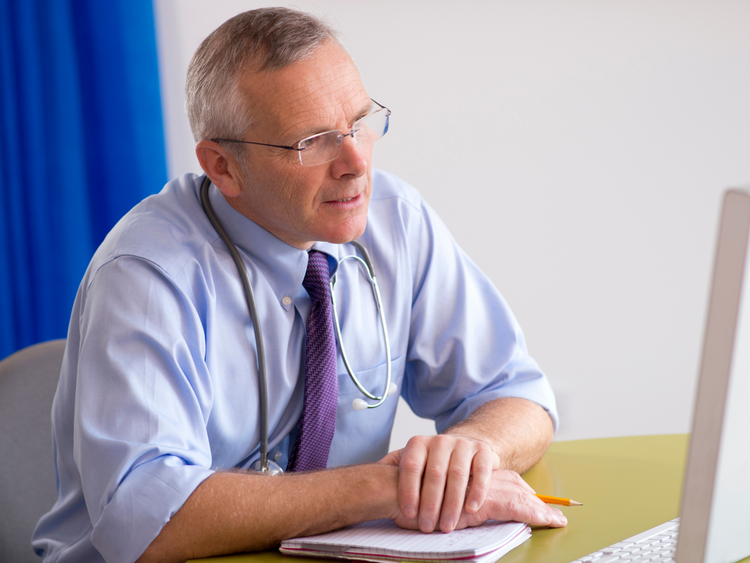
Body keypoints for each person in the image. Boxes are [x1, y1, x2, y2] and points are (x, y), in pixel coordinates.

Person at [32, 7, 565, 563]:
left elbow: (518, 394)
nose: (356, 163)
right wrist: (387, 488)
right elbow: (144, 520)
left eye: (360, 122)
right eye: (312, 142)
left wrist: (468, 457)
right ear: (223, 167)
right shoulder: (147, 273)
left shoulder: (395, 220)